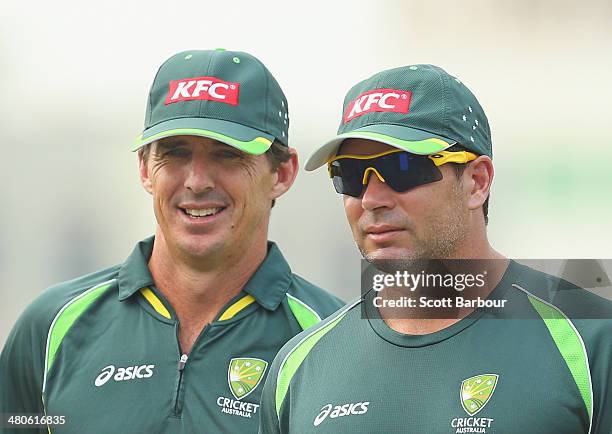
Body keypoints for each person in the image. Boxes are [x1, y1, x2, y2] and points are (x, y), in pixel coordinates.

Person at [0, 49, 343, 434]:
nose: (197, 181)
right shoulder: (49, 328)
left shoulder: (335, 343)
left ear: (281, 172)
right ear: (145, 168)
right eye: (175, 153)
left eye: (227, 155)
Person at [259, 64, 612, 433]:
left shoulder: (589, 342)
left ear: (477, 182)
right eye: (349, 174)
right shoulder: (298, 367)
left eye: (403, 167)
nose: (372, 198)